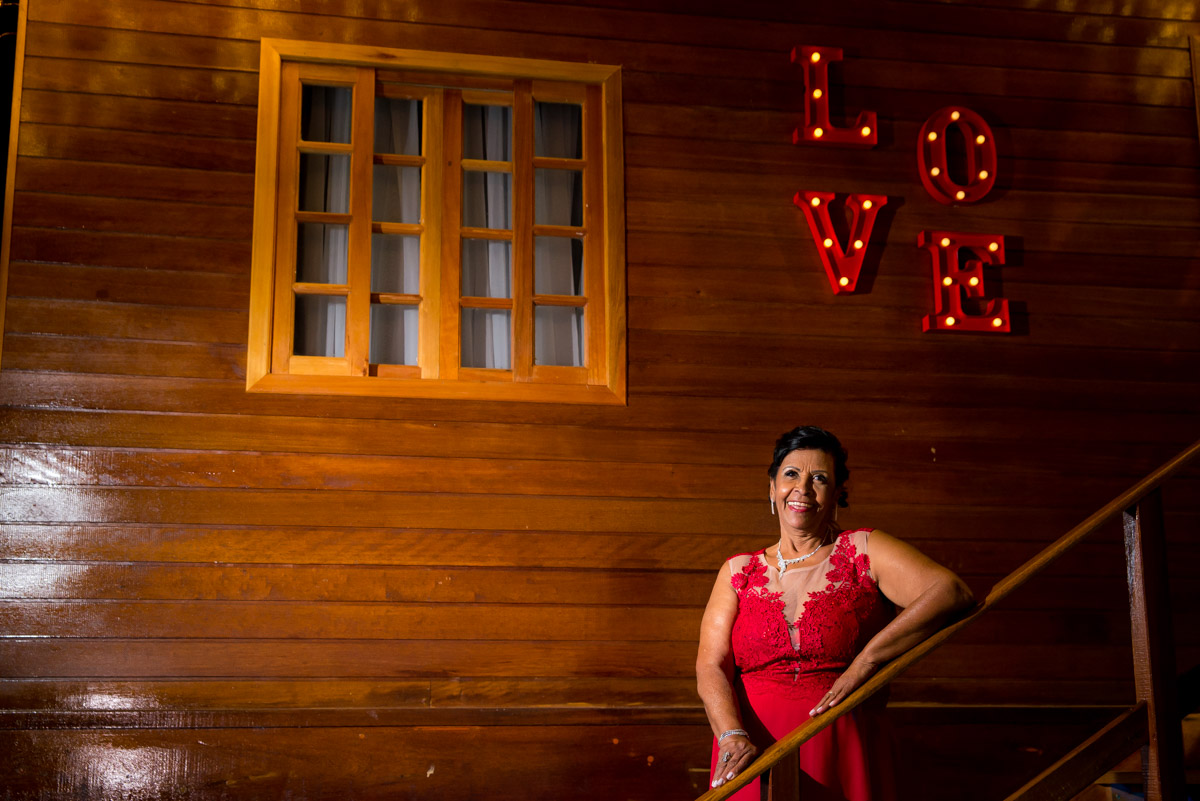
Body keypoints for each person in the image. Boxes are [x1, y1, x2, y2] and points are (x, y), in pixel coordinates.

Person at [696, 426, 975, 799]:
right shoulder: (738, 571)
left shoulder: (863, 549)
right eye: (791, 474)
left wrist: (867, 661)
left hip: (840, 748)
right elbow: (711, 665)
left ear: (837, 493)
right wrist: (731, 735)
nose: (803, 489)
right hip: (750, 751)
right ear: (771, 487)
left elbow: (951, 591)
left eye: (820, 478)